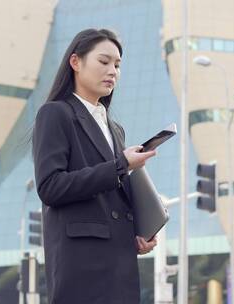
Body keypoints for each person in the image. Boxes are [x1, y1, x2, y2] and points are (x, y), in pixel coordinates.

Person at [32, 28, 158, 304]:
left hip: (119, 269)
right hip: (81, 270)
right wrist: (119, 165)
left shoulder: (116, 129)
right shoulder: (56, 113)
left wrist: (138, 232)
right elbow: (50, 187)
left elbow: (111, 203)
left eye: (117, 65)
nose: (112, 70)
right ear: (75, 62)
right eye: (104, 61)